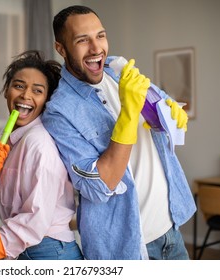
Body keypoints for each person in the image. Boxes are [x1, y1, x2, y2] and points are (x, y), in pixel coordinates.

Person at [41, 5, 196, 260]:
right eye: (82, 40)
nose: (96, 48)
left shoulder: (117, 68)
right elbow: (100, 186)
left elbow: (159, 111)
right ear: (61, 48)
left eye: (100, 36)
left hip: (171, 229)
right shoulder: (59, 112)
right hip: (127, 248)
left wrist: (169, 111)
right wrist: (128, 113)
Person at [0, 50, 83, 260]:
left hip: (49, 251)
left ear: (46, 100)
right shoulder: (7, 136)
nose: (25, 95)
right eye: (19, 86)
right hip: (24, 247)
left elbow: (34, 222)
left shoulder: (39, 143)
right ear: (6, 91)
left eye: (37, 91)